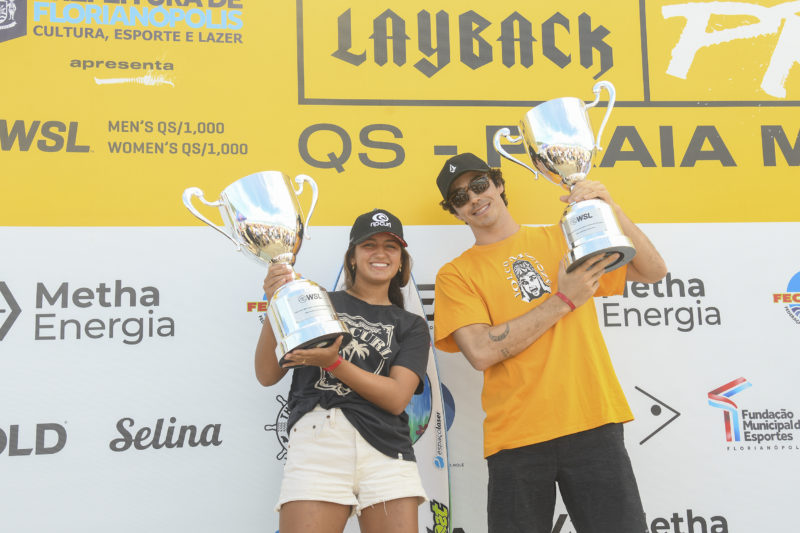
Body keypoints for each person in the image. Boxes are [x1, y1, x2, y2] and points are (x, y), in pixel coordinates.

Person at [432, 153, 668, 533]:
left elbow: (653, 271)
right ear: (456, 211)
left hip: (591, 419)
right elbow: (480, 351)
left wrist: (610, 209)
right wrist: (564, 299)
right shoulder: (456, 275)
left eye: (479, 185)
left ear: (498, 184)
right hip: (517, 436)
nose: (474, 198)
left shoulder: (562, 236)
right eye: (460, 196)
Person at [255, 208, 429, 533]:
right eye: (369, 245)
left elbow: (396, 398)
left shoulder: (412, 325)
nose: (380, 253)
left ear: (401, 261)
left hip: (387, 449)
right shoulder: (318, 301)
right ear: (352, 257)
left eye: (391, 246)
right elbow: (267, 374)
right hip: (320, 438)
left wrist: (333, 363)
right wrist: (277, 302)